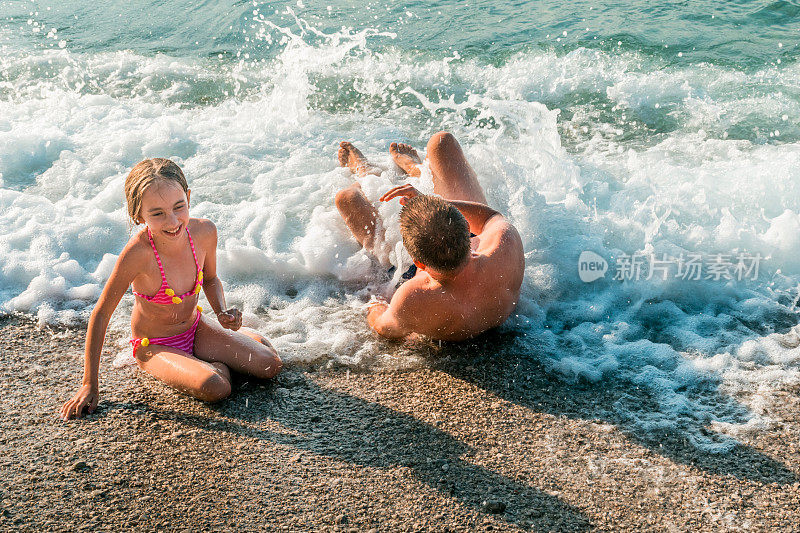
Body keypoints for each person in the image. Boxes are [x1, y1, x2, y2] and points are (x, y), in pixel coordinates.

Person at [60, 159, 282, 420]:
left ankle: (226, 350)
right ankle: (214, 364)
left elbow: (210, 279)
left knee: (270, 366)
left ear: (188, 197)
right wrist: (90, 384)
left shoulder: (204, 232)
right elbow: (101, 313)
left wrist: (222, 312)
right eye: (157, 213)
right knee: (216, 387)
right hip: (154, 345)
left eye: (179, 207)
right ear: (138, 215)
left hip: (195, 327)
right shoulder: (138, 254)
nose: (173, 220)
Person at [334, 132, 524, 341]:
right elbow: (492, 217)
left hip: (409, 275)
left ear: (418, 262)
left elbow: (384, 327)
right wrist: (434, 202)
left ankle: (366, 173)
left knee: (347, 198)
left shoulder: (415, 295)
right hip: (466, 265)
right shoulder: (504, 245)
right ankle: (416, 170)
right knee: (442, 142)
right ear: (467, 233)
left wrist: (376, 303)